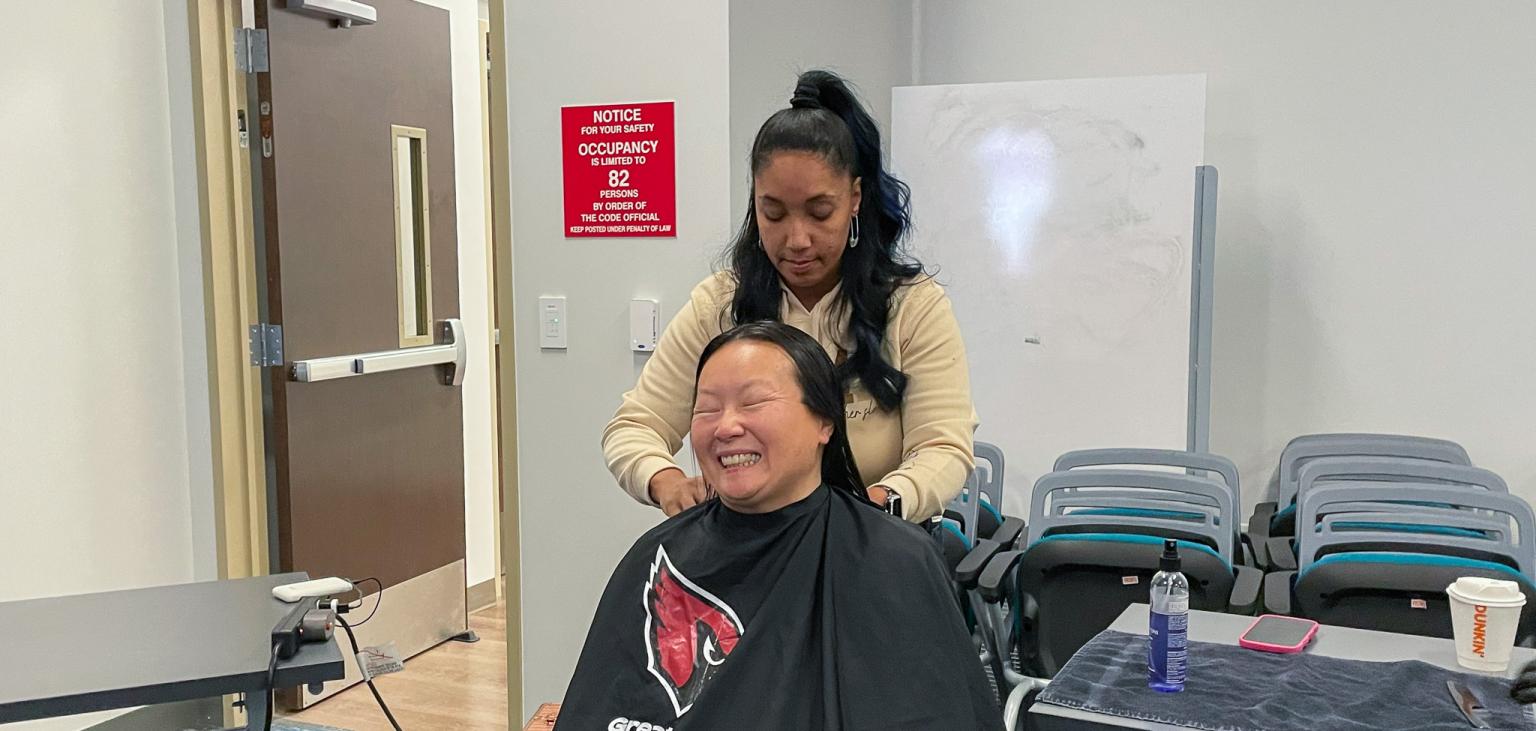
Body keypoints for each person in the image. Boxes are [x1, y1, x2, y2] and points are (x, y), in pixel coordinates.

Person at [557, 323, 1003, 730]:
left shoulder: (892, 560)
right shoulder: (659, 555)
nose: (727, 426)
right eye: (707, 409)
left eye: (753, 403)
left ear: (825, 422)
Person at [603, 69, 976, 523]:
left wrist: (873, 508)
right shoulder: (720, 305)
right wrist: (666, 482)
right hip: (750, 560)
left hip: (876, 547)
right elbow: (634, 427)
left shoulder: (912, 307)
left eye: (820, 212)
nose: (797, 239)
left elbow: (943, 448)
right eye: (773, 213)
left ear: (855, 198)